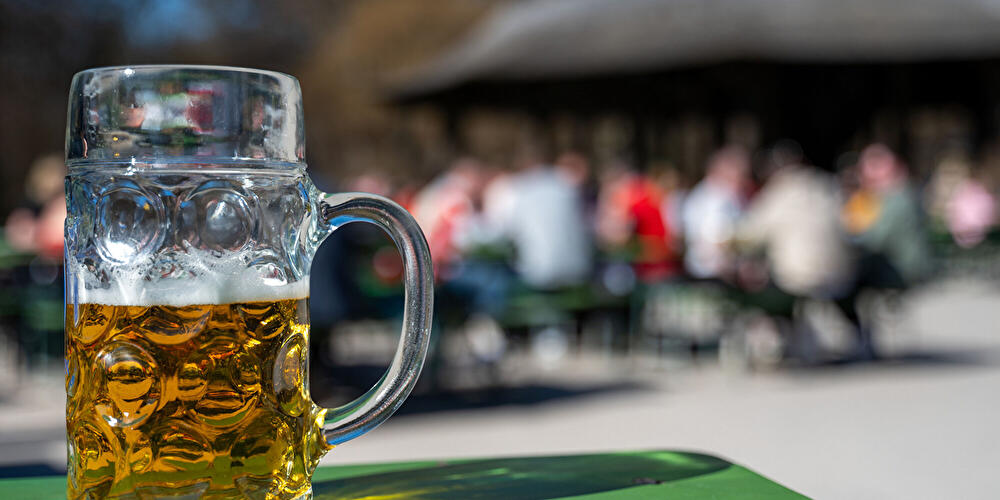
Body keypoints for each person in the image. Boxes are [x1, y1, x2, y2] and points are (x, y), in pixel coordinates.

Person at [682, 145, 751, 281]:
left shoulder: (706, 193)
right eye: (740, 172)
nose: (743, 179)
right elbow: (716, 239)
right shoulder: (716, 197)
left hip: (708, 271)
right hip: (713, 275)